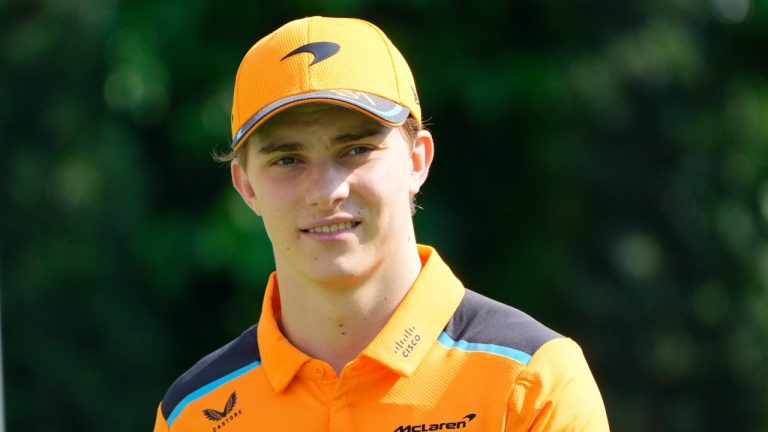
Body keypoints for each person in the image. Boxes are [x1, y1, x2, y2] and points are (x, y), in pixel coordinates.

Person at [153, 16, 609, 432]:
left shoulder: (532, 381)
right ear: (245, 185)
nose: (325, 190)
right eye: (288, 159)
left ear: (417, 160)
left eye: (356, 150)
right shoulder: (191, 413)